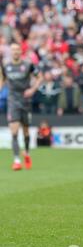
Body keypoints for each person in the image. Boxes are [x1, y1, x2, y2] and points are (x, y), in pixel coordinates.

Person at [0, 43, 43, 171]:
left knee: (26, 131)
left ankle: (27, 153)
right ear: (10, 52)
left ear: (21, 51)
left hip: (25, 100)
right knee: (14, 131)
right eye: (13, 50)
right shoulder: (5, 65)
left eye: (17, 49)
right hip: (13, 100)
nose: (15, 52)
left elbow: (39, 77)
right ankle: (17, 161)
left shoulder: (28, 64)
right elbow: (2, 79)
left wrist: (33, 89)